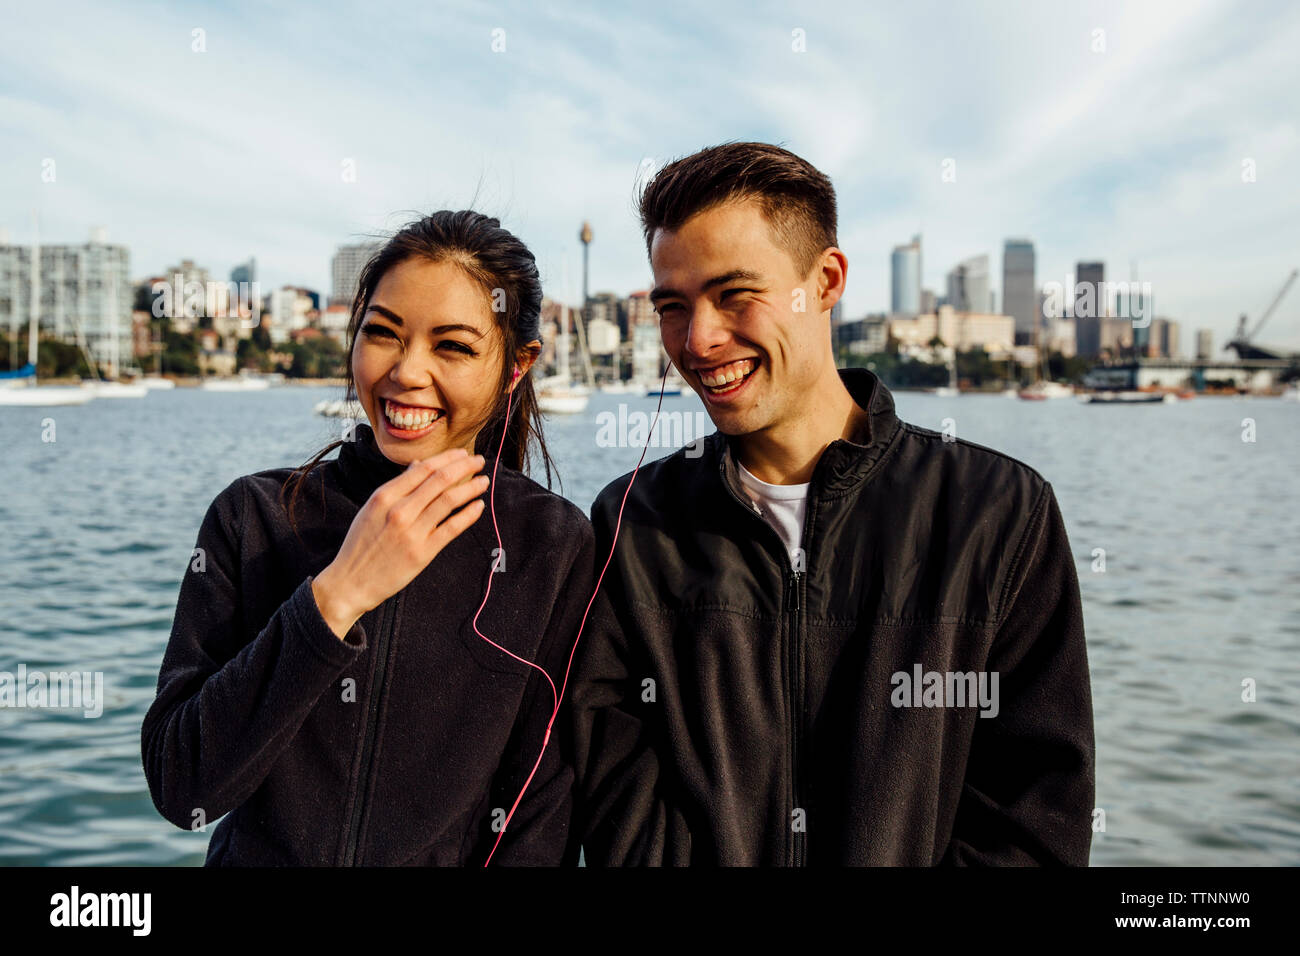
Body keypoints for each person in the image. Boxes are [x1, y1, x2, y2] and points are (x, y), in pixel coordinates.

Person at [570, 142, 1096, 865]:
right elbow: (618, 805)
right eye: (673, 305)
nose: (698, 339)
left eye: (734, 295)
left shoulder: (999, 516)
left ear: (825, 281)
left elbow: (1033, 822)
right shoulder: (632, 524)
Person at [142, 210, 591, 866]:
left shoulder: (550, 546)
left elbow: (537, 816)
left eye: (453, 346)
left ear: (516, 367)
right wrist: (335, 596)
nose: (407, 372)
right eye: (382, 334)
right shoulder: (254, 517)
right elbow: (184, 789)